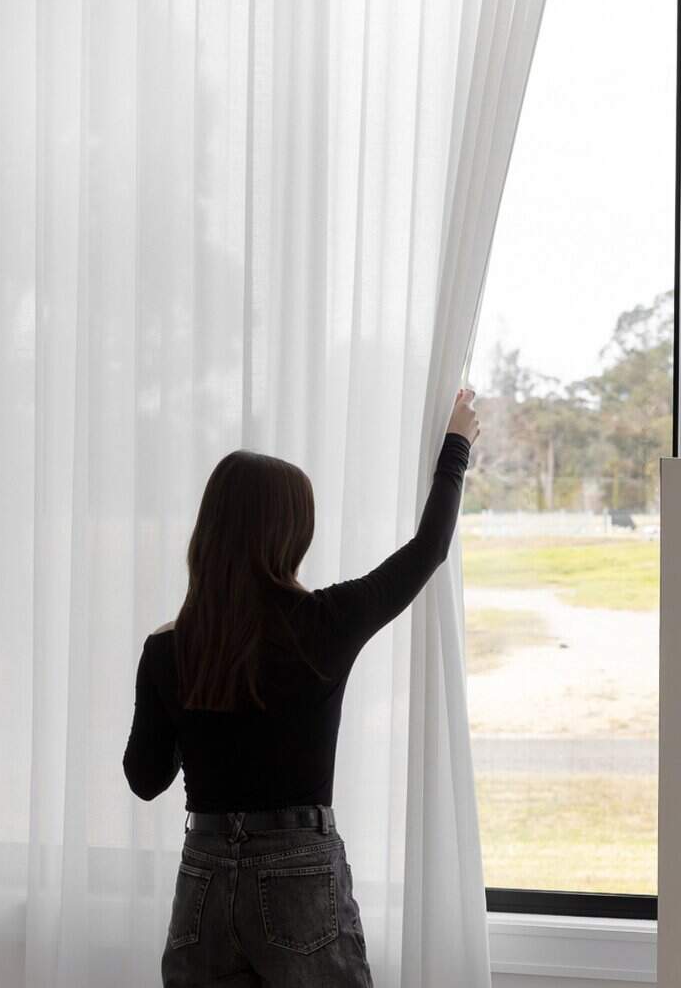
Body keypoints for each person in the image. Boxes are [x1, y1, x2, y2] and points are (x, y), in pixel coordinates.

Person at [123, 388, 481, 987]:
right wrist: (456, 446)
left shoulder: (168, 648)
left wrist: (194, 700)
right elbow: (428, 550)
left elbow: (145, 779)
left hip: (204, 880)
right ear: (293, 535)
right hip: (297, 874)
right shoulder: (325, 622)